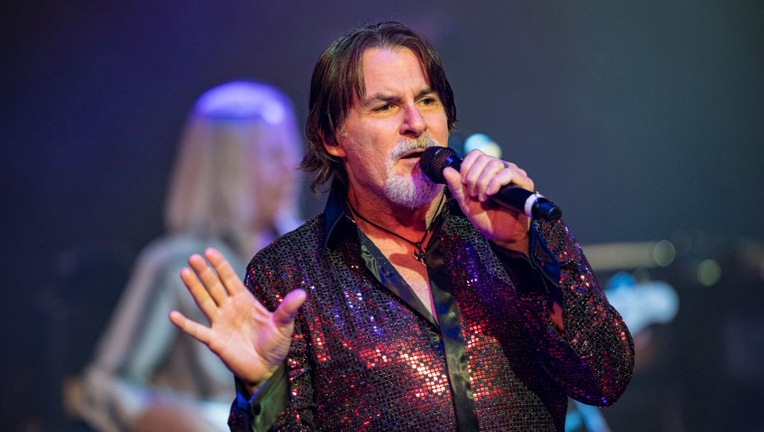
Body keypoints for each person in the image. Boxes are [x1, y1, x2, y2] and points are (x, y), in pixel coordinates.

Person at [170, 22, 634, 431]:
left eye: (427, 100)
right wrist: (263, 388)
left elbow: (605, 378)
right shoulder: (287, 274)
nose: (416, 123)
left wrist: (524, 251)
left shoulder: (512, 231)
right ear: (332, 137)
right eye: (385, 107)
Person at [73, 80, 303, 432]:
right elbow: (105, 388)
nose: (292, 169)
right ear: (229, 169)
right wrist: (177, 419)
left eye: (292, 152)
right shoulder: (174, 264)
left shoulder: (314, 255)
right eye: (274, 155)